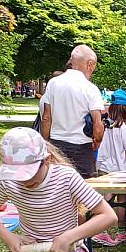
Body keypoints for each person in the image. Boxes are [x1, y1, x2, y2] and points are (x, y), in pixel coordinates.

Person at [38, 44, 105, 177]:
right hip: (82, 147)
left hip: (56, 144)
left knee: (57, 183)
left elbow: (46, 118)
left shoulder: (53, 83)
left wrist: (45, 143)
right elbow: (98, 123)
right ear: (89, 64)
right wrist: (97, 140)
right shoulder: (90, 88)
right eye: (94, 66)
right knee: (84, 185)